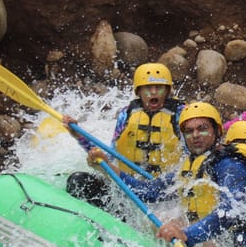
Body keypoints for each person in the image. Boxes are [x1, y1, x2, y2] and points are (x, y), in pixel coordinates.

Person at [153, 117, 246, 247]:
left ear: (217, 132)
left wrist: (187, 234)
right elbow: (151, 192)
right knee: (162, 219)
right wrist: (118, 174)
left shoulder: (233, 165)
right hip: (215, 241)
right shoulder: (198, 163)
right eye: (189, 131)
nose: (196, 135)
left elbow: (230, 211)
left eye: (202, 129)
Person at [65, 62, 183, 205]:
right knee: (78, 181)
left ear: (167, 91)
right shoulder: (126, 115)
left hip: (163, 195)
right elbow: (109, 156)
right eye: (148, 88)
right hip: (127, 187)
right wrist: (79, 136)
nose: (153, 92)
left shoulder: (181, 116)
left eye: (159, 88)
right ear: (138, 92)